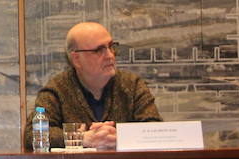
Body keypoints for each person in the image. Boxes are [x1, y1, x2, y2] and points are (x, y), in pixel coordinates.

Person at [23, 21, 161, 151]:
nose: (110, 56)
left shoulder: (132, 85)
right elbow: (32, 134)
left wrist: (119, 136)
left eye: (111, 47)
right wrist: (82, 138)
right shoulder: (57, 89)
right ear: (76, 59)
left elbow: (155, 128)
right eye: (99, 50)